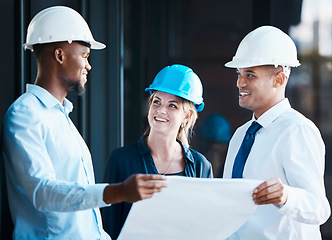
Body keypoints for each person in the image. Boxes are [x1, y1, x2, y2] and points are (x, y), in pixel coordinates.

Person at [1, 6, 166, 240]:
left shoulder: (61, 118)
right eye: (85, 56)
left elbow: (80, 217)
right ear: (60, 55)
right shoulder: (25, 115)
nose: (89, 65)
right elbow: (42, 192)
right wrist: (118, 191)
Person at [222, 25, 330, 239]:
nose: (240, 82)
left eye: (250, 75)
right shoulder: (241, 135)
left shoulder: (297, 131)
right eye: (239, 73)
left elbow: (319, 208)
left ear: (279, 79)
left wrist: (286, 196)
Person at [102, 64, 213, 239]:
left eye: (173, 106)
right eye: (157, 102)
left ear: (187, 117)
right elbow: (108, 227)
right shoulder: (121, 160)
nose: (161, 110)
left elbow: (206, 228)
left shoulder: (200, 166)